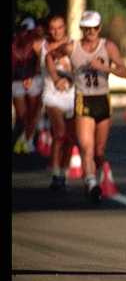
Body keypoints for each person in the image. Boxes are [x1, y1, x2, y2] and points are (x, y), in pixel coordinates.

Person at [46, 10, 126, 203]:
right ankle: (91, 182)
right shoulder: (71, 47)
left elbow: (124, 71)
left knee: (99, 151)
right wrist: (56, 78)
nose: (90, 32)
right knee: (86, 146)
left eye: (94, 28)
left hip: (103, 100)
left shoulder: (108, 46)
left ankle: (96, 175)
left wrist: (105, 68)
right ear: (82, 29)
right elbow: (50, 56)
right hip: (83, 99)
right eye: (87, 28)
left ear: (99, 28)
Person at [40, 14, 76, 190]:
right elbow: (36, 66)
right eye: (52, 28)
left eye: (59, 27)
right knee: (59, 133)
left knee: (70, 138)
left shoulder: (73, 45)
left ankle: (63, 171)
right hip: (51, 96)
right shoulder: (42, 46)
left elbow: (81, 69)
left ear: (65, 28)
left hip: (71, 96)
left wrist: (70, 70)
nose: (56, 31)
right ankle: (55, 173)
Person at [11, 17, 44, 155]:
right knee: (28, 114)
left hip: (25, 80)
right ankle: (27, 139)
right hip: (24, 80)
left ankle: (27, 140)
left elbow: (39, 61)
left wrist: (31, 75)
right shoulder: (22, 41)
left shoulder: (22, 40)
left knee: (28, 113)